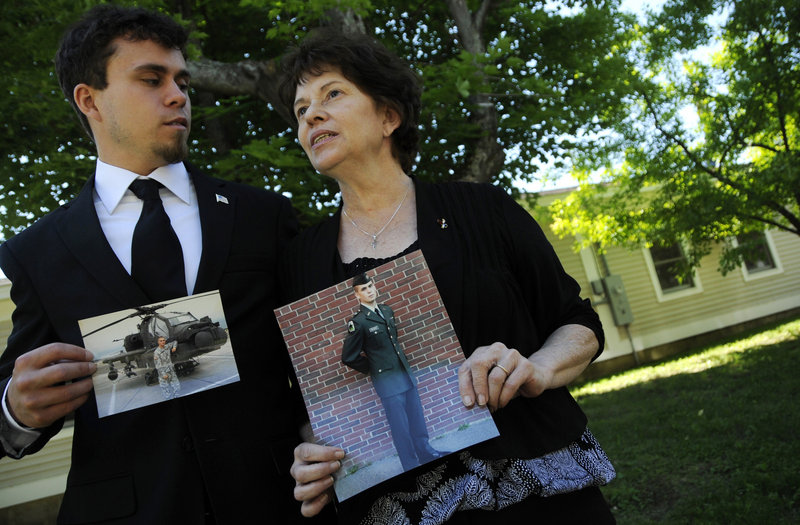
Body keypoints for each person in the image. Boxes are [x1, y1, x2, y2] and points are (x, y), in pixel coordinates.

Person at [0, 5, 324, 524]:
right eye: (152, 79)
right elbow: (12, 412)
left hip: (277, 503)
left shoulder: (263, 215)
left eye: (182, 80)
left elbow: (319, 353)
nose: (178, 95)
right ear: (90, 100)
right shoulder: (37, 252)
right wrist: (15, 410)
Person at [278, 30, 617, 523]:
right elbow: (317, 400)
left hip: (537, 496)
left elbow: (577, 322)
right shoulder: (299, 261)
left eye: (332, 93)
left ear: (389, 116)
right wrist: (313, 452)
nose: (311, 114)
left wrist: (537, 369)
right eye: (301, 108)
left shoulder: (484, 210)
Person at [342, 272, 447, 472]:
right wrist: (375, 369)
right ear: (357, 296)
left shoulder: (387, 311)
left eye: (371, 286)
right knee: (401, 427)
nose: (369, 290)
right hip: (388, 382)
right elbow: (348, 356)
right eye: (364, 289)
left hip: (405, 374)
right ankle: (411, 464)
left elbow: (394, 343)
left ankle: (426, 452)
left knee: (417, 417)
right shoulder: (359, 322)